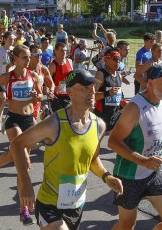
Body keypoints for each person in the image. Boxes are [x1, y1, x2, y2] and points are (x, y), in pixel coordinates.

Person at [11, 69, 123, 229]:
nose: (91, 92)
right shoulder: (55, 123)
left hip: (77, 205)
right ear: (69, 92)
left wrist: (106, 177)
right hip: (50, 204)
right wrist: (26, 183)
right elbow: (17, 144)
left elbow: (93, 159)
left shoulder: (99, 125)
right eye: (84, 88)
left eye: (92, 87)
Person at [108, 65, 162, 230]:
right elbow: (113, 141)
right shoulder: (134, 108)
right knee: (127, 224)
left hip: (153, 173)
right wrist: (143, 161)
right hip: (129, 176)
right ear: (149, 83)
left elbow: (157, 128)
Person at [0, 44, 43, 225]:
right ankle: (23, 210)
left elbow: (41, 96)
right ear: (16, 58)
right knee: (24, 162)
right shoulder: (6, 77)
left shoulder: (33, 76)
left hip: (29, 120)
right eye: (25, 57)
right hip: (13, 121)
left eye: (29, 57)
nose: (29, 60)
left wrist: (36, 97)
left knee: (13, 155)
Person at [93, 48, 124, 131]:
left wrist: (124, 105)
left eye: (119, 59)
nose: (117, 62)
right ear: (106, 59)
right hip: (102, 115)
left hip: (115, 115)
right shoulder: (101, 74)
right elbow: (92, 95)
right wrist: (107, 93)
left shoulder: (119, 76)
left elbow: (119, 96)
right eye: (115, 59)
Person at [48, 42, 73, 112]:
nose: (64, 53)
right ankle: (47, 110)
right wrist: (53, 89)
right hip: (57, 97)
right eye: (61, 51)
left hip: (68, 95)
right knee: (57, 119)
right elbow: (47, 81)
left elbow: (73, 77)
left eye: (65, 50)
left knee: (68, 118)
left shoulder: (69, 61)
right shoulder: (53, 65)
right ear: (56, 51)